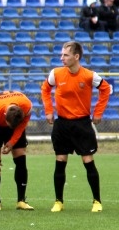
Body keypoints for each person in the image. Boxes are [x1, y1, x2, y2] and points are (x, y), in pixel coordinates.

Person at [41, 41, 112, 213]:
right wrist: (49, 110)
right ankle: (58, 201)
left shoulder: (89, 75)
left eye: (65, 55)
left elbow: (106, 89)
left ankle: (97, 201)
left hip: (82, 124)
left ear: (76, 57)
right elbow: (45, 89)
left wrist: (98, 113)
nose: (62, 58)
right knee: (60, 162)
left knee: (88, 161)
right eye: (62, 54)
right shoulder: (56, 73)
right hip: (62, 124)